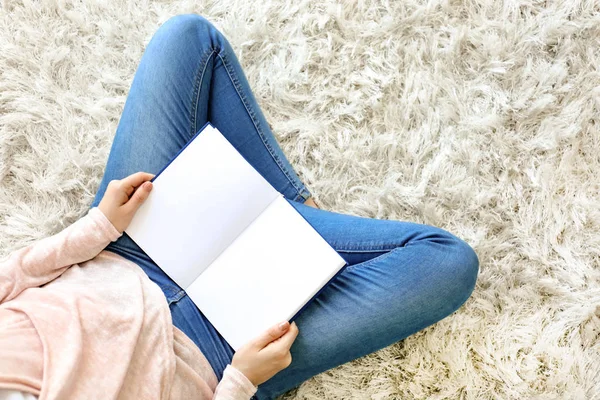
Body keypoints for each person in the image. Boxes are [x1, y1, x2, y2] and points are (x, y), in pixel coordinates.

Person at [0, 14, 479, 400]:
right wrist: (241, 381)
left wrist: (98, 226)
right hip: (220, 351)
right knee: (446, 261)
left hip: (123, 250)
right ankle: (288, 215)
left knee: (189, 38)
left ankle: (285, 215)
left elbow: (12, 280)